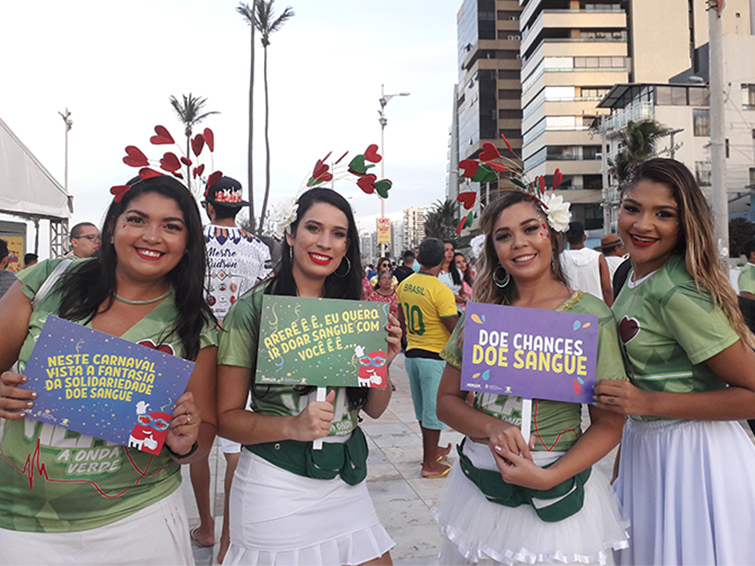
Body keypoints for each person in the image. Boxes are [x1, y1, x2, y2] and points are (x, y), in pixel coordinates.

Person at [0, 175, 218, 565]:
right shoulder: (50, 282)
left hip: (139, 519)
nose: (152, 236)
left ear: (188, 244)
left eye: (172, 226)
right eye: (137, 219)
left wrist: (186, 441)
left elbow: (203, 434)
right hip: (20, 521)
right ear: (113, 226)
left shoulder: (192, 323)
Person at [434, 190, 629, 565]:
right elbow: (446, 402)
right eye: (504, 235)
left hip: (558, 488)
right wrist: (490, 427)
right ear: (493, 249)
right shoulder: (482, 314)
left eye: (530, 229)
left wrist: (549, 476)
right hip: (481, 488)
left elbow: (609, 424)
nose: (519, 243)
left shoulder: (590, 316)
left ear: (551, 235)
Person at [216, 187, 401, 566]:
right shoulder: (253, 309)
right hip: (276, 484)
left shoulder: (353, 311)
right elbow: (226, 419)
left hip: (345, 481)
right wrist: (292, 426)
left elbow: (376, 410)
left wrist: (383, 364)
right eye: (313, 228)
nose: (325, 243)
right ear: (291, 233)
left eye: (338, 233)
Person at [593, 158, 755, 566]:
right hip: (646, 452)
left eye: (663, 214)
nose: (642, 224)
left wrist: (647, 404)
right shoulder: (631, 275)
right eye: (633, 208)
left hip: (697, 461)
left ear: (684, 223)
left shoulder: (679, 293)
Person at [191, 176, 271, 559]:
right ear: (237, 209)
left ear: (209, 206)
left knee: (199, 442)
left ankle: (206, 526)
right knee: (234, 446)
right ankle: (228, 540)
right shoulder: (258, 247)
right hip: (243, 351)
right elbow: (264, 301)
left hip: (198, 347)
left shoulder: (192, 242)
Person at [397, 238, 458, 478]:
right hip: (434, 357)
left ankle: (433, 450)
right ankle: (429, 464)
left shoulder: (405, 284)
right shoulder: (440, 290)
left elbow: (401, 320)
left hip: (412, 355)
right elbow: (453, 328)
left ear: (419, 258)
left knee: (424, 411)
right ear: (443, 260)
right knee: (433, 412)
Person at [560, 222, 613, 306]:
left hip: (571, 309)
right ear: (584, 238)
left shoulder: (561, 259)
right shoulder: (598, 257)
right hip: (596, 309)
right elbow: (607, 289)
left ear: (566, 239)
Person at [439, 240, 466, 309]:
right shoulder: (435, 272)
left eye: (452, 250)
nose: (450, 253)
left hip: (457, 310)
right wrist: (453, 297)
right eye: (446, 250)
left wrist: (465, 296)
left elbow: (461, 291)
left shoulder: (457, 271)